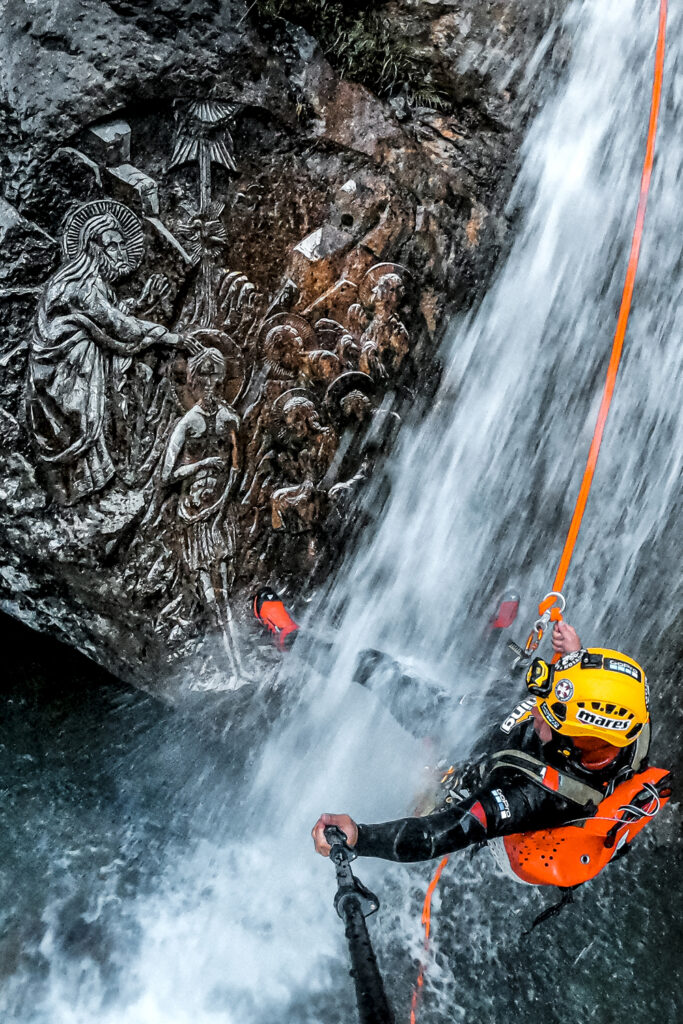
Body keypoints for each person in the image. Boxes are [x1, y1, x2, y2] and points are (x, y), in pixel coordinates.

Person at [309, 621, 671, 891]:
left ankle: (286, 636)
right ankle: (493, 637)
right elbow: (605, 697)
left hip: (461, 728)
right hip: (497, 714)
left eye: (549, 712)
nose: (538, 711)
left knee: (375, 667)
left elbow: (441, 833)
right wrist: (574, 661)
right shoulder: (627, 727)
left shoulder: (524, 795)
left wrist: (359, 836)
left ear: (579, 738)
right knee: (510, 667)